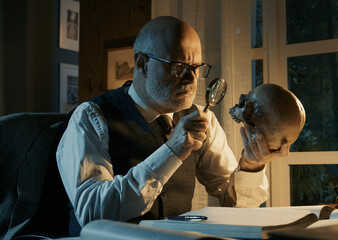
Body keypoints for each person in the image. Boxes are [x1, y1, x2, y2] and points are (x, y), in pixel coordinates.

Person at [56, 16, 289, 231]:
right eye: (178, 67)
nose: (191, 79)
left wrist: (251, 165)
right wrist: (171, 150)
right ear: (141, 63)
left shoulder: (203, 119)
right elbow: (92, 213)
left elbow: (237, 205)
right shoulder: (91, 117)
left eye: (196, 68)